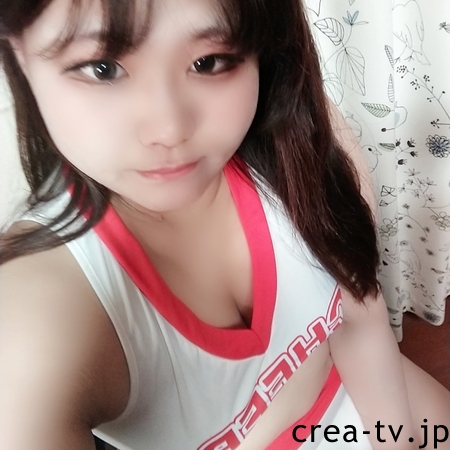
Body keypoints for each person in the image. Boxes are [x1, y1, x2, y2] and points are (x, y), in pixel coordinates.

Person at [0, 0, 449, 449]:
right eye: (102, 69)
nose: (170, 129)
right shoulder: (37, 320)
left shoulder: (299, 142)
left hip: (360, 395)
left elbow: (360, 319)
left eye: (209, 61)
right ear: (18, 52)